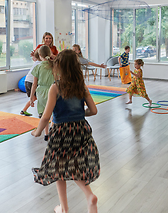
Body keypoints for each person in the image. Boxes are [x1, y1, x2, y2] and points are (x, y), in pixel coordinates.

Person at [31, 49, 100, 213]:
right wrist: (80, 114)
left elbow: (45, 116)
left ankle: (64, 208)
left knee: (57, 168)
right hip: (81, 130)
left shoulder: (55, 88)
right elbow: (94, 110)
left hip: (61, 132)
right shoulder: (81, 86)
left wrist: (38, 132)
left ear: (59, 68)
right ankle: (89, 195)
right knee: (74, 166)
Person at [30, 45, 55, 141]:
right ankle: (52, 129)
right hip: (53, 90)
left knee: (44, 113)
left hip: (41, 92)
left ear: (39, 55)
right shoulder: (54, 65)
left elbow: (34, 84)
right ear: (50, 54)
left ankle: (46, 133)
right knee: (53, 112)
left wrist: (31, 97)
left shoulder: (38, 67)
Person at [20, 51, 41, 116]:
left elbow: (34, 58)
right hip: (32, 82)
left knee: (34, 98)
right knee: (39, 97)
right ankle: (41, 112)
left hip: (27, 81)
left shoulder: (36, 62)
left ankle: (24, 110)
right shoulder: (41, 63)